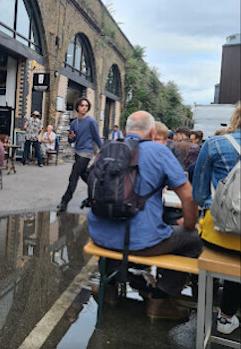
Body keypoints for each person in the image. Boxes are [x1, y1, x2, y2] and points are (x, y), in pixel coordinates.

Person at [88, 110, 202, 320]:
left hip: (99, 235)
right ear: (152, 133)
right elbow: (188, 197)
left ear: (125, 130)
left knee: (117, 227)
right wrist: (188, 224)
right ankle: (160, 300)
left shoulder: (107, 148)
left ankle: (108, 288)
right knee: (194, 240)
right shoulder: (159, 151)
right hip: (141, 242)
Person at [193, 102, 241, 335]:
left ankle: (215, 312)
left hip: (217, 236)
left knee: (223, 253)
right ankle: (227, 315)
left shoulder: (215, 144)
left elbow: (199, 195)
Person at [57, 97, 102, 212]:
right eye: (82, 105)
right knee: (84, 175)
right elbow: (71, 140)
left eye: (86, 106)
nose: (84, 108)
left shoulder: (91, 122)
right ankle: (100, 191)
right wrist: (70, 137)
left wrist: (104, 150)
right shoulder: (74, 123)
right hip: (77, 152)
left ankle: (64, 201)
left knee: (74, 176)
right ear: (77, 107)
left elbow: (97, 138)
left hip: (86, 153)